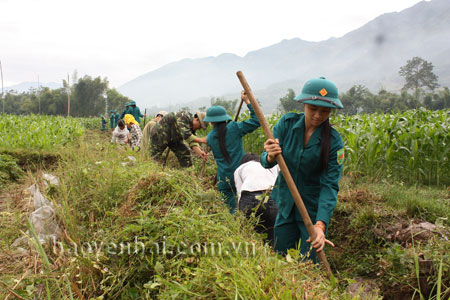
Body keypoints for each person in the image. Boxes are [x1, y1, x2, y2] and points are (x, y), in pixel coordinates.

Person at [261, 77, 345, 262]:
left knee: (309, 264)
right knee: (281, 258)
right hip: (285, 204)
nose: (317, 115)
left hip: (312, 211)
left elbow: (330, 184)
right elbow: (266, 161)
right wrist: (270, 155)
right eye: (313, 109)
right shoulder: (286, 124)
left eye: (324, 111)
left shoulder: (333, 141)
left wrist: (320, 225)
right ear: (304, 104)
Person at [203, 91, 260, 213]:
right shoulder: (234, 128)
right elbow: (257, 120)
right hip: (241, 174)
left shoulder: (210, 138)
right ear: (224, 117)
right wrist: (247, 102)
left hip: (224, 179)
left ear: (211, 121)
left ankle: (234, 228)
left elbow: (222, 137)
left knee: (231, 211)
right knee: (246, 208)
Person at [234, 153, 279, 245]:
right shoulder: (272, 166)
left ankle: (252, 251)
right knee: (271, 232)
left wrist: (239, 213)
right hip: (270, 195)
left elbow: (240, 193)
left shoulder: (240, 168)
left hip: (249, 196)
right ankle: (271, 252)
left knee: (247, 232)